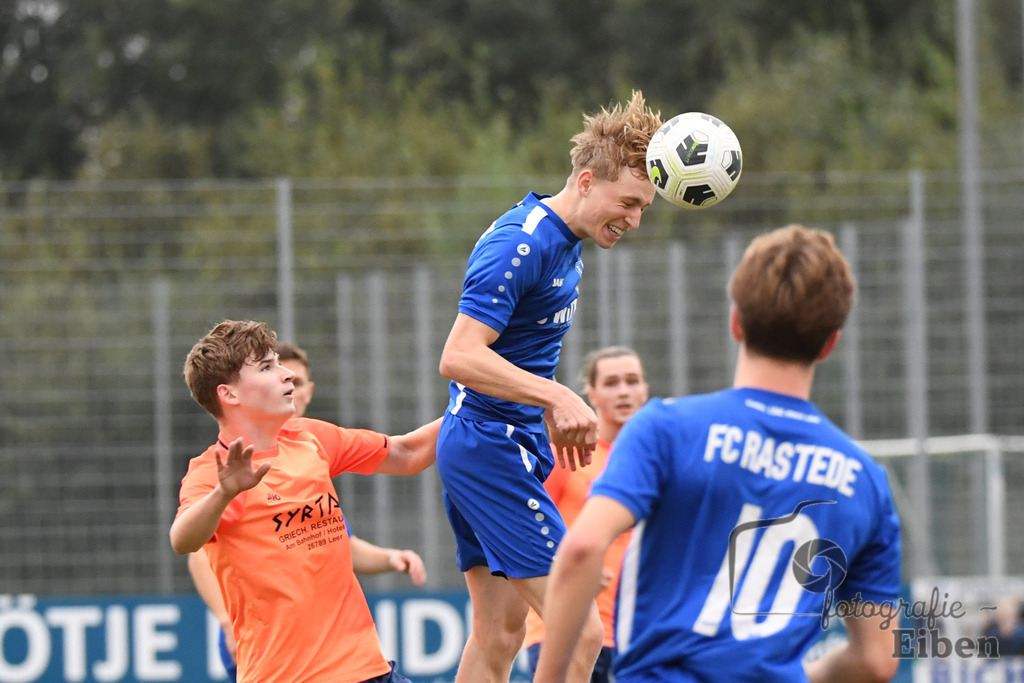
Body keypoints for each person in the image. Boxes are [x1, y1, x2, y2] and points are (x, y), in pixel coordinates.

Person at [535, 225, 903, 683]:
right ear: (830, 343)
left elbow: (584, 546)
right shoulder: (866, 481)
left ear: (736, 323)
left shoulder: (667, 428)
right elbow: (876, 660)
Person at [436, 90, 663, 683]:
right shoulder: (523, 243)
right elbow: (459, 356)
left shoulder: (566, 241)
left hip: (499, 443)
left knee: (499, 635)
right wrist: (558, 395)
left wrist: (545, 402)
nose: (635, 220)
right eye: (629, 203)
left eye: (644, 208)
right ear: (587, 181)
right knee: (581, 633)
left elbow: (513, 356)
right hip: (490, 448)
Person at [170, 320, 440, 683]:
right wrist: (225, 492)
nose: (286, 376)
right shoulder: (211, 472)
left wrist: (480, 401)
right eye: (267, 367)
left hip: (367, 670)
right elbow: (183, 540)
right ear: (229, 395)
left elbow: (408, 453)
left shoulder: (309, 437)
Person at [523, 346, 649, 681]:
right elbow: (524, 531)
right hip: (568, 631)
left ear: (645, 390)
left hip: (640, 636)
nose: (623, 391)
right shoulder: (566, 456)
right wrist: (572, 572)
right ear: (590, 394)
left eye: (632, 381)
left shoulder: (656, 465)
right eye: (611, 383)